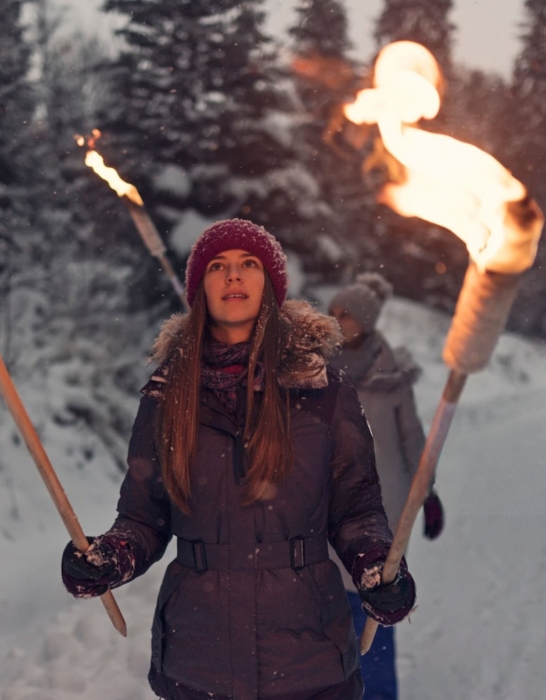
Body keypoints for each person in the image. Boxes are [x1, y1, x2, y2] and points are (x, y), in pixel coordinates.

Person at [60, 219, 416, 700]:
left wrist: (376, 566)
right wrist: (108, 557)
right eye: (218, 267)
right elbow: (144, 516)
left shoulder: (323, 390)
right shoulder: (167, 396)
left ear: (270, 285)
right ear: (199, 288)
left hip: (308, 656)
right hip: (199, 656)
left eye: (249, 265)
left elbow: (356, 509)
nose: (233, 276)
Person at [328, 273, 444, 700]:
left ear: (367, 319)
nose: (337, 320)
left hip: (386, 498)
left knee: (374, 597)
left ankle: (377, 692)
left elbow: (412, 435)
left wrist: (427, 491)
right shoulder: (318, 366)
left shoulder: (389, 369)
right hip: (333, 498)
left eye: (346, 313)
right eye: (334, 311)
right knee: (332, 600)